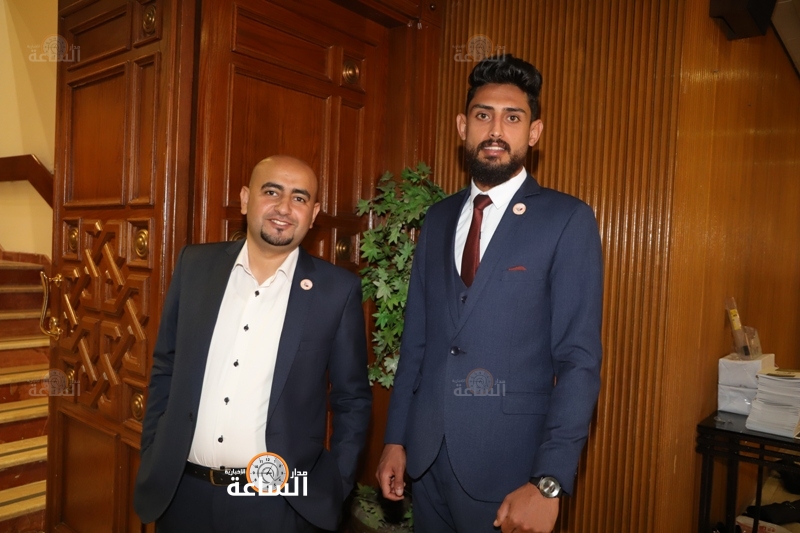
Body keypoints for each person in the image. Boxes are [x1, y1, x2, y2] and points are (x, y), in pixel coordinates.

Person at [376, 54, 603, 533]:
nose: (496, 130)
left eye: (512, 118)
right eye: (483, 115)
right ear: (463, 126)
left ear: (534, 133)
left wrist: (548, 482)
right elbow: (416, 342)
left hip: (511, 471)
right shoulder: (438, 219)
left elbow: (578, 362)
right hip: (426, 462)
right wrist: (396, 438)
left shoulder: (567, 220)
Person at [134, 155, 372, 532]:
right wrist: (153, 451)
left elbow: (352, 399)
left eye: (299, 198)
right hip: (182, 495)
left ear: (313, 214)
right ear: (245, 199)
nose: (284, 208)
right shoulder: (195, 266)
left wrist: (334, 485)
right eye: (272, 192)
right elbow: (166, 366)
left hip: (277, 503)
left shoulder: (336, 292)